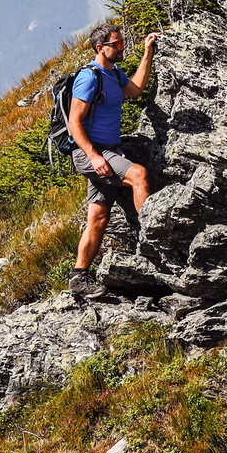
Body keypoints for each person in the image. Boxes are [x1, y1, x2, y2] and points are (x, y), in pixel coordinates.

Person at [67, 20, 160, 297]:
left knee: (98, 216)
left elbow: (134, 91)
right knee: (139, 175)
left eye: (121, 43)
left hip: (109, 150)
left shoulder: (115, 73)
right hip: (91, 152)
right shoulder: (89, 77)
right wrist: (94, 157)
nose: (121, 47)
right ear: (100, 48)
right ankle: (153, 242)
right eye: (116, 44)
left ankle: (78, 277)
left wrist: (147, 54)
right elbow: (74, 122)